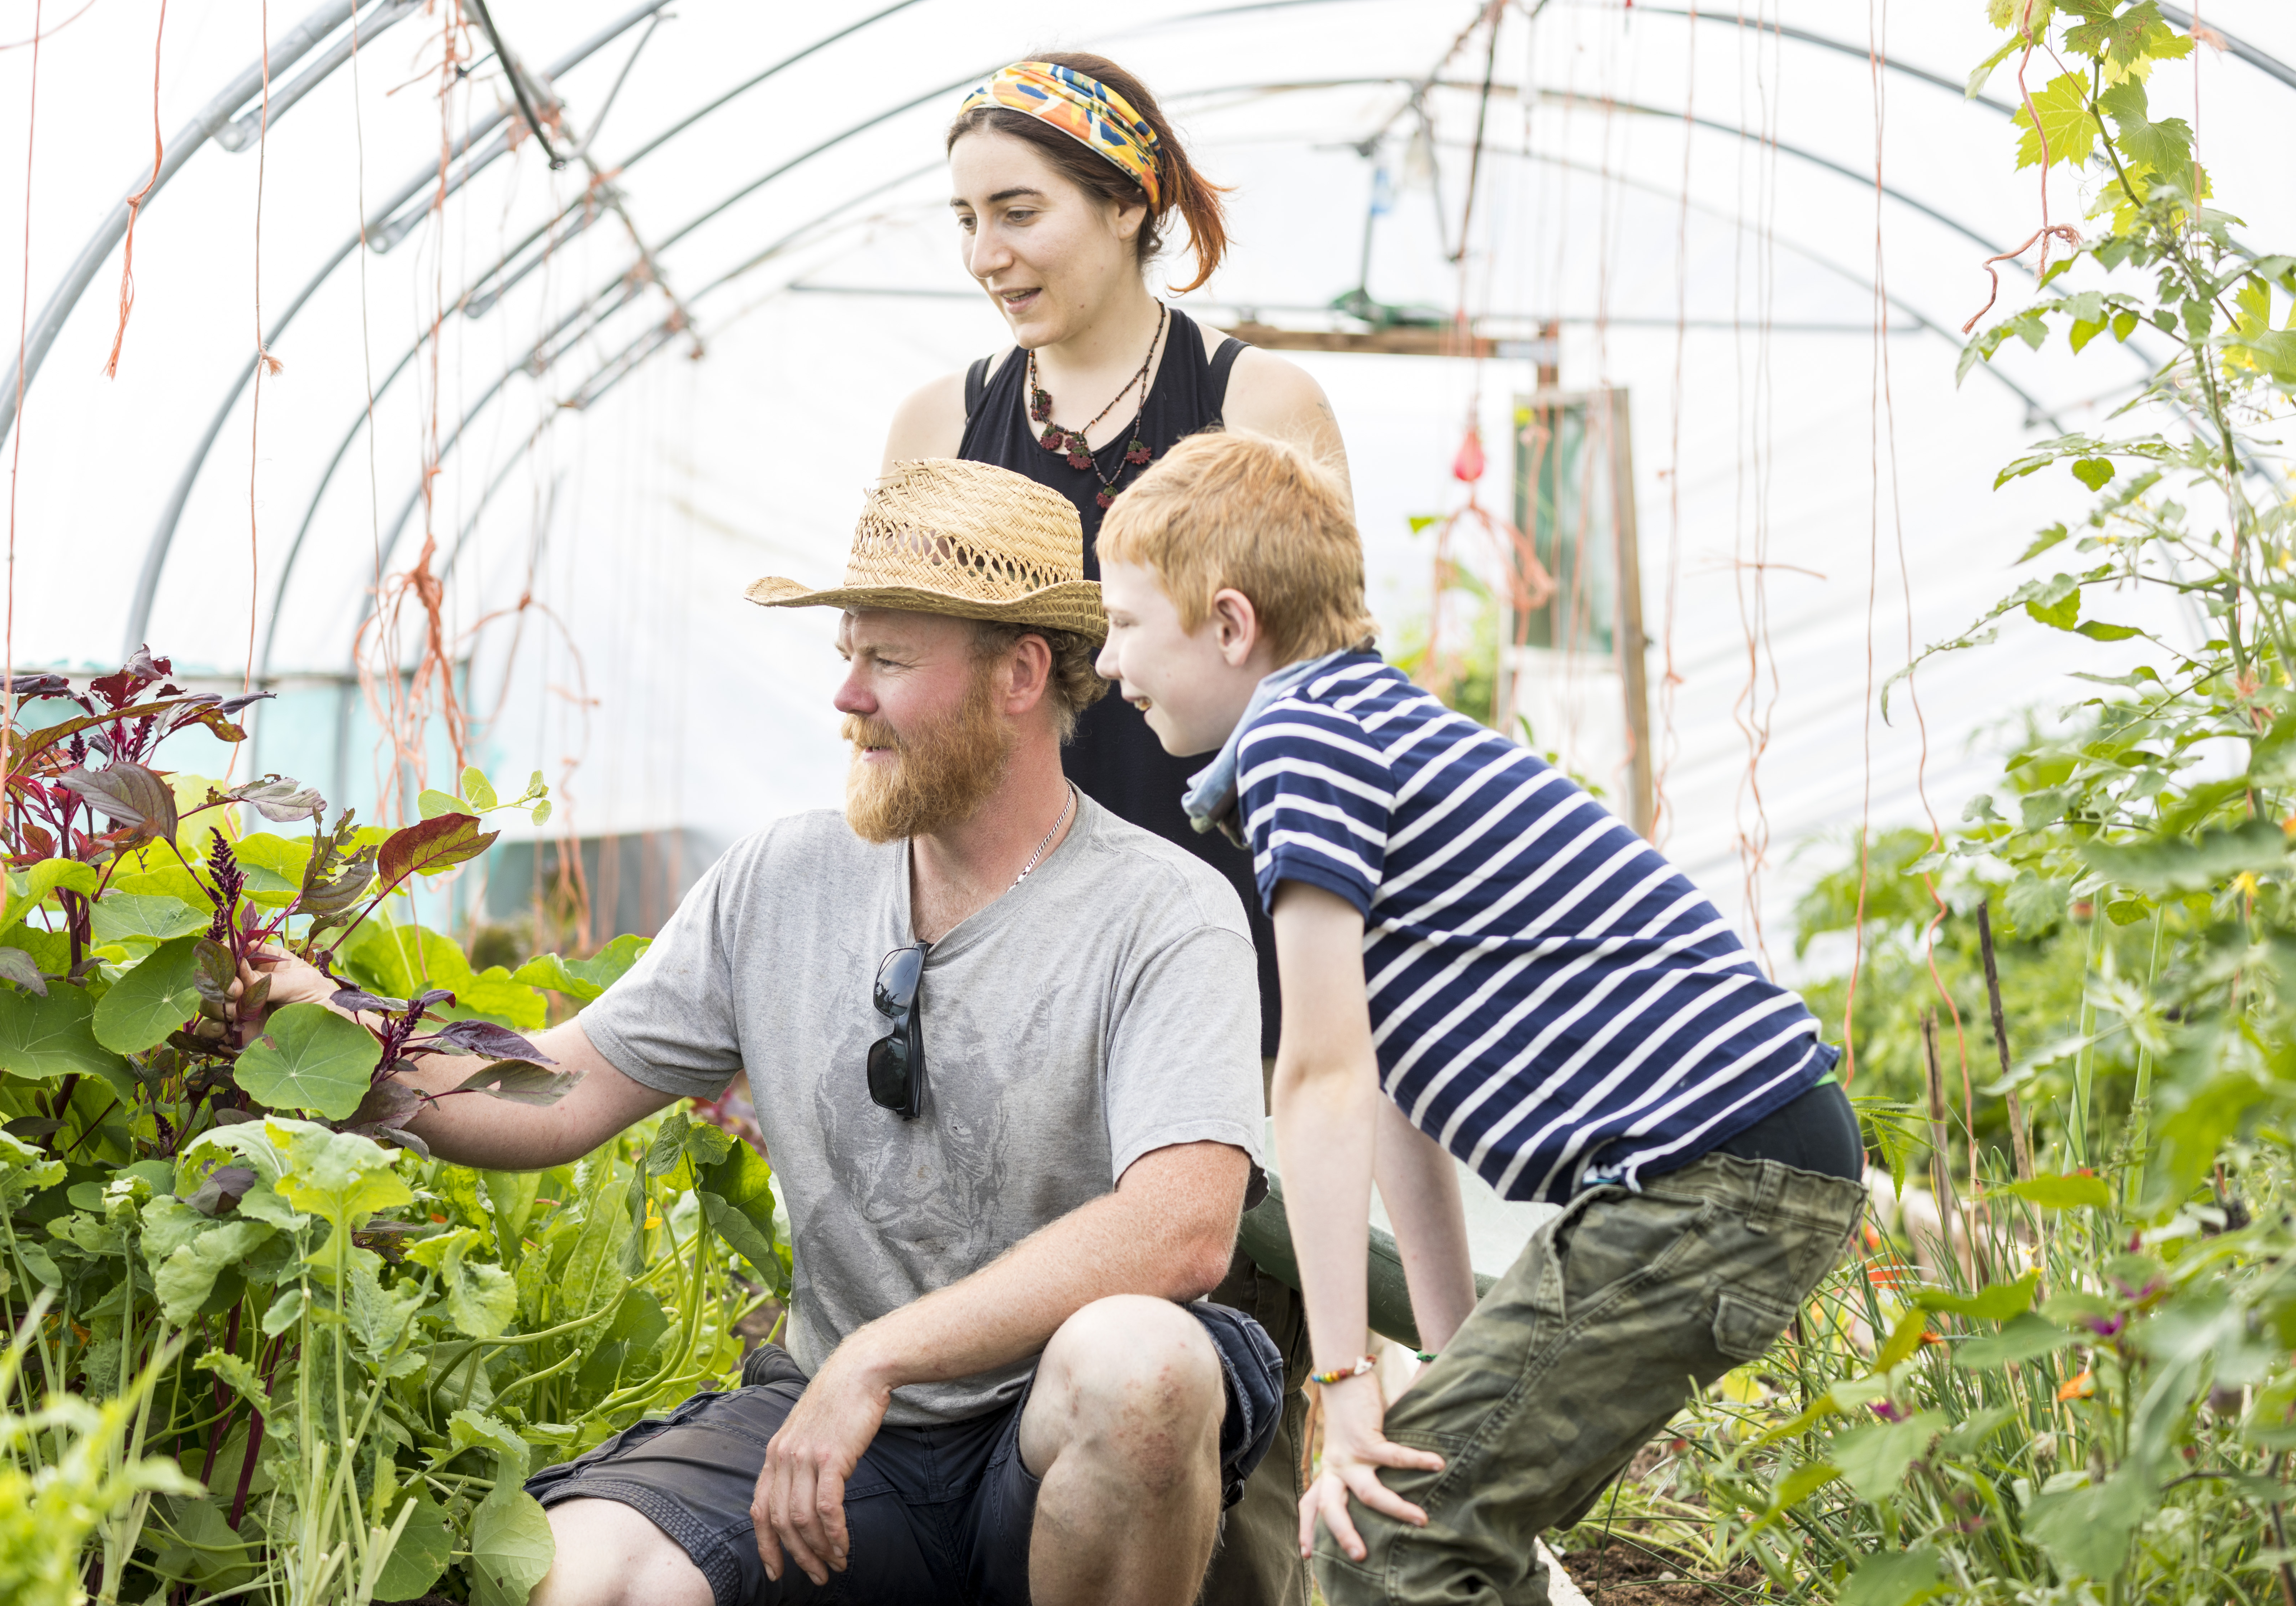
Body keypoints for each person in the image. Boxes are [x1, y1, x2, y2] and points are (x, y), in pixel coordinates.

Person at [242, 459, 1284, 1606]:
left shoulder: (1163, 912)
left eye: (888, 660)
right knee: (589, 1580)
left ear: (1020, 674)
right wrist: (333, 1026)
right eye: (847, 655)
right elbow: (553, 1092)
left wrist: (879, 1357)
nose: (847, 697)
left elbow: (1183, 1230)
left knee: (1144, 1368)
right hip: (836, 1439)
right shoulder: (786, 878)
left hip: (1041, 1438)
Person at [1091, 430, 1870, 1606]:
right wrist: (1452, 1355)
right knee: (1430, 1514)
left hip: (1716, 1175)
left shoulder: (1301, 740)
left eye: (1127, 625)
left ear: (1232, 625)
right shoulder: (1356, 725)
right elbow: (1399, 1083)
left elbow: (1322, 1077)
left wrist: (1344, 1375)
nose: (1107, 663)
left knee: (1387, 1534)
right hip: (1741, 1166)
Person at [881, 56, 1342, 1602]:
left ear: (1130, 204)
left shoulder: (1255, 401)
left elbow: (1326, 701)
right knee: (1016, 1328)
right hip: (1010, 944)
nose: (987, 253)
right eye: (963, 220)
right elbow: (898, 697)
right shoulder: (941, 421)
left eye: (1019, 211)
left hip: (1223, 936)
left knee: (1224, 1337)